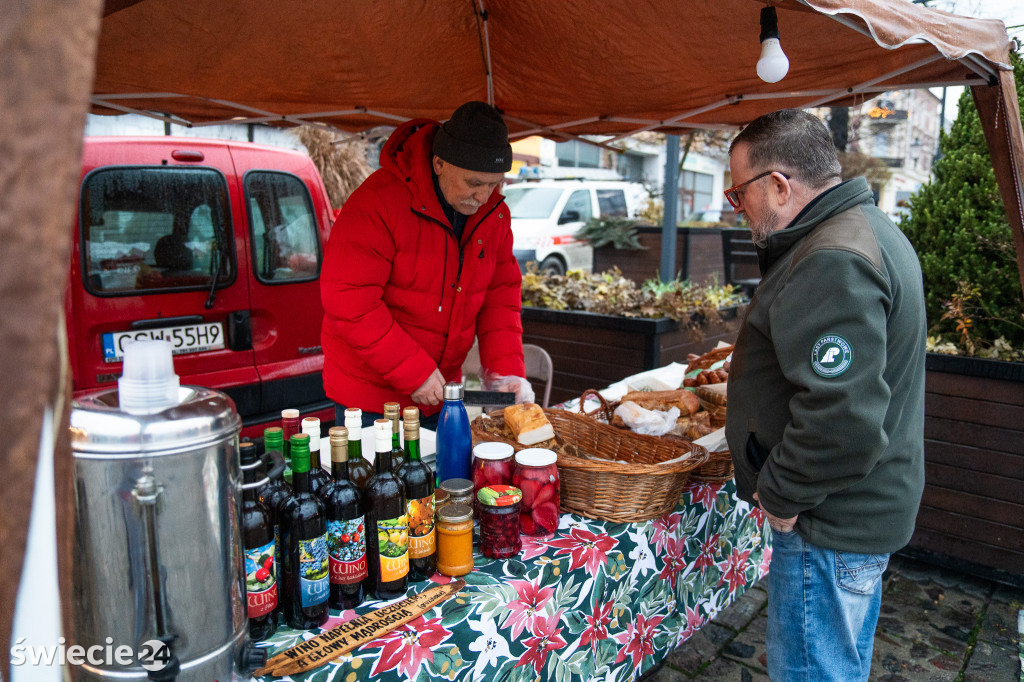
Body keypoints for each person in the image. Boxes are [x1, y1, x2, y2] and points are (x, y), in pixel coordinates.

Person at [723, 109, 926, 681]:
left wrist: (780, 495)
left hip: (829, 521)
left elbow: (843, 420)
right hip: (851, 514)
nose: (736, 210)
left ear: (781, 185)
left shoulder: (832, 257)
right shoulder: (865, 228)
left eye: (740, 194)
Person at [320, 101, 531, 429]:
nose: (483, 196)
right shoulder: (377, 203)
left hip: (439, 395)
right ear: (438, 163)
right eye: (474, 183)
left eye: (494, 184)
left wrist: (506, 373)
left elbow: (500, 298)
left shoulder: (494, 216)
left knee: (437, 480)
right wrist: (413, 372)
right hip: (369, 400)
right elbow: (350, 301)